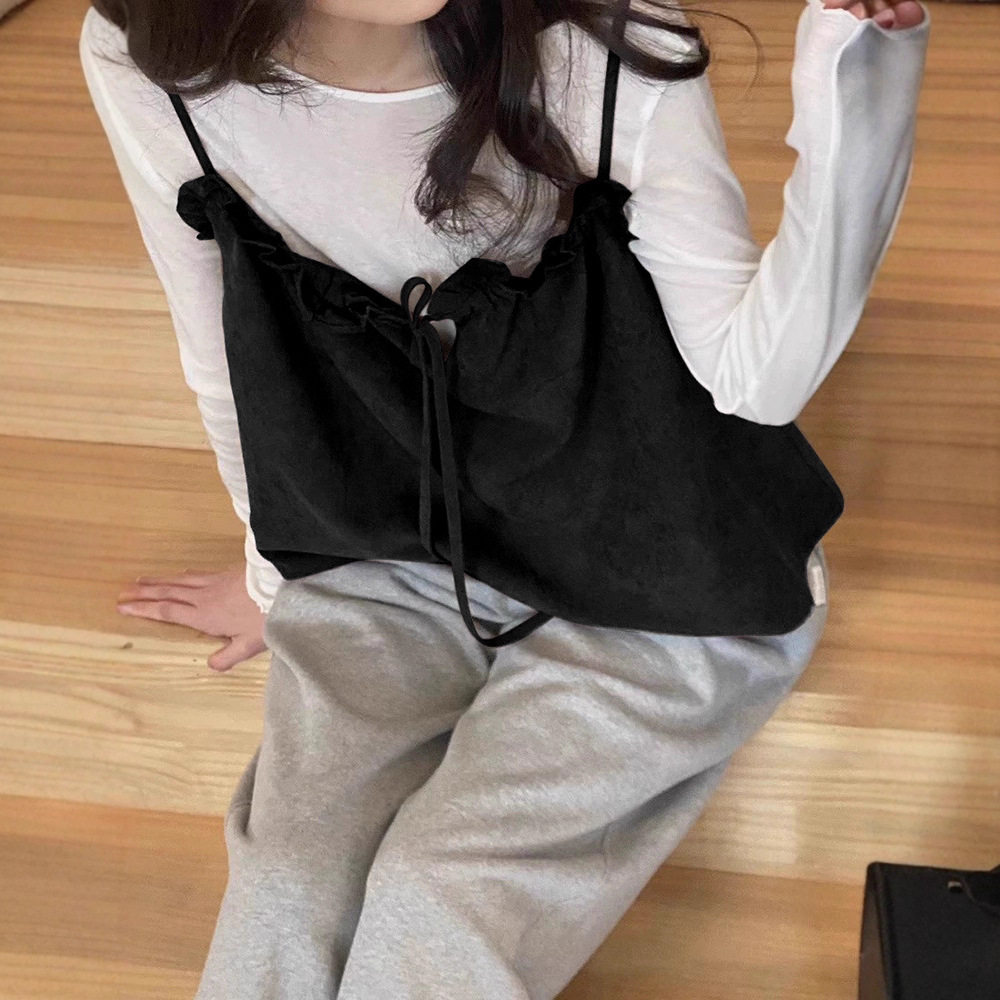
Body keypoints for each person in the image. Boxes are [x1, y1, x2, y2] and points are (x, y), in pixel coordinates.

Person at [80, 0, 930, 996]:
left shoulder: (597, 44)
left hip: (656, 559)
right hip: (392, 540)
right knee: (287, 885)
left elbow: (756, 381)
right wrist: (274, 573)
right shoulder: (149, 55)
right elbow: (222, 353)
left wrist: (858, 94)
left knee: (443, 892)